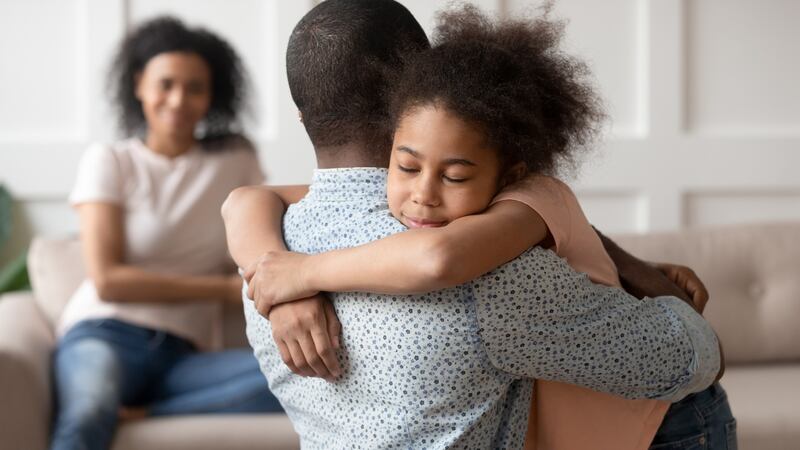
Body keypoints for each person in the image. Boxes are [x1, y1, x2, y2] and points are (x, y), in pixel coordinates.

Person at [232, 5, 735, 450]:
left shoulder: (265, 264)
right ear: (411, 95)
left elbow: (247, 201)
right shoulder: (486, 274)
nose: (429, 192)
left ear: (301, 115)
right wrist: (676, 308)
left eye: (453, 175)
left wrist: (294, 276)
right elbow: (685, 359)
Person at [51, 17, 283, 450]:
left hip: (183, 355)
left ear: (212, 96)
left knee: (297, 373)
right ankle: (135, 406)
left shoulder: (235, 159)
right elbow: (109, 281)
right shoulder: (110, 160)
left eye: (195, 87)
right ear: (139, 84)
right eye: (166, 84)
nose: (179, 99)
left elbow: (264, 232)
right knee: (88, 410)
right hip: (104, 332)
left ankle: (149, 412)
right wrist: (222, 289)